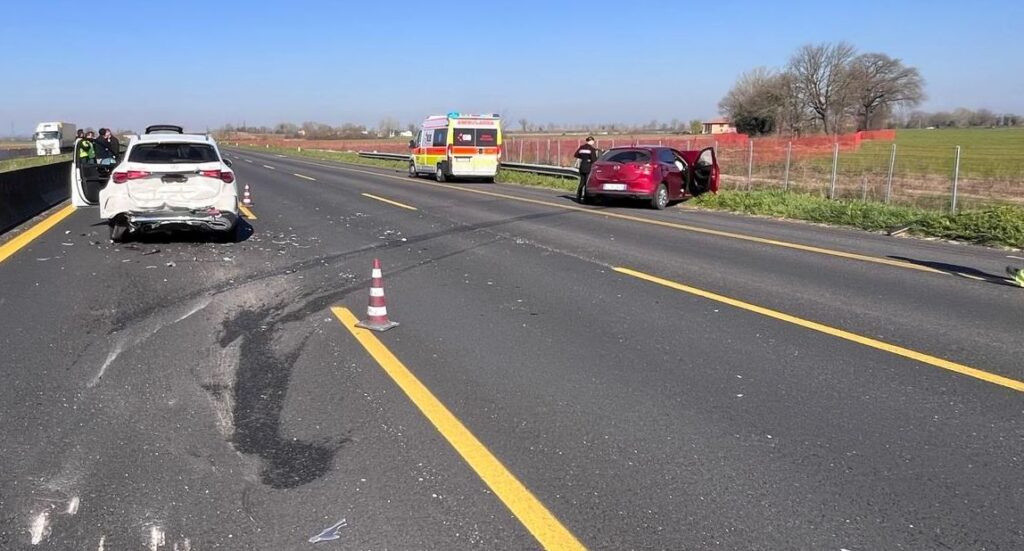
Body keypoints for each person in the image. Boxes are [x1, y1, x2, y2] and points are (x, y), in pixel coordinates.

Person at [573, 136, 599, 202]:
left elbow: (576, 154)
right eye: (593, 141)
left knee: (581, 182)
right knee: (587, 183)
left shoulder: (581, 147)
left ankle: (578, 197)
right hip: (588, 167)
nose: (593, 142)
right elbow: (594, 159)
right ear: (591, 141)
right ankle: (586, 198)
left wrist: (583, 158)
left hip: (582, 166)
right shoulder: (591, 149)